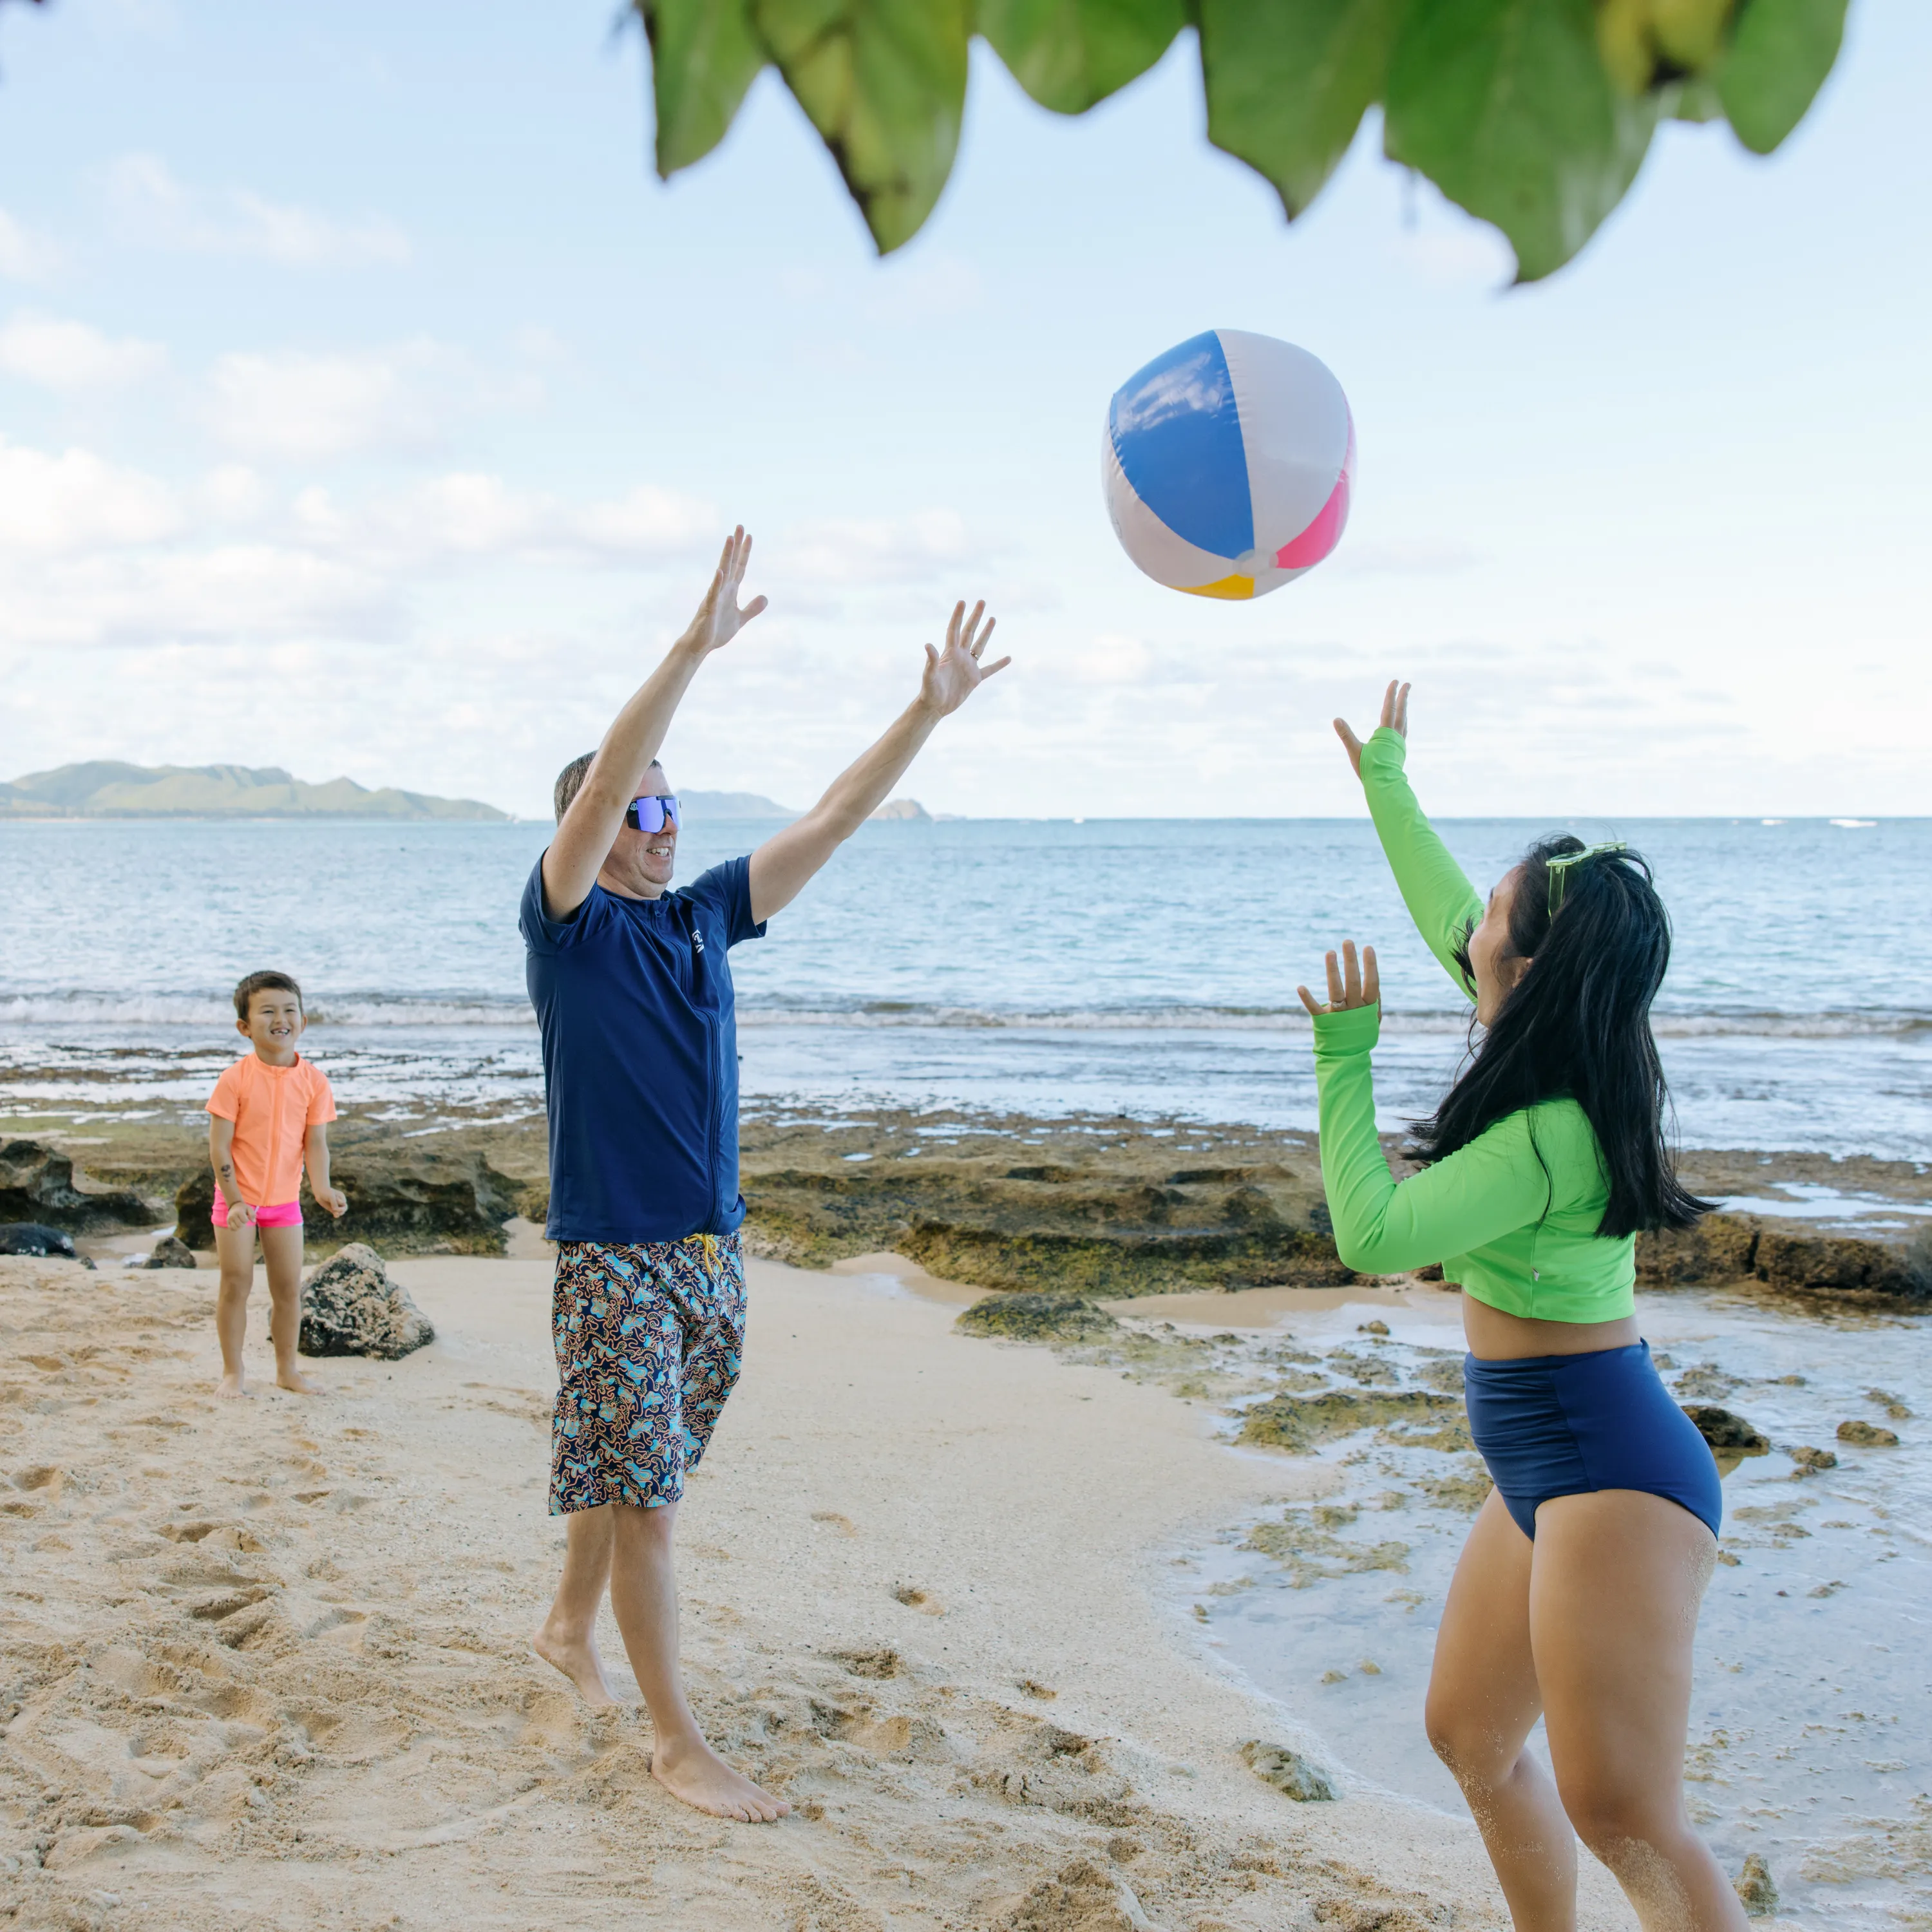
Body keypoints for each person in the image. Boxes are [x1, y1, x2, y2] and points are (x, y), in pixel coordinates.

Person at [520, 527, 1008, 1824]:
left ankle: (567, 1631)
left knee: (634, 1469)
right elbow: (599, 787)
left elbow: (834, 818)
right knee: (649, 1502)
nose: (663, 824)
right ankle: (678, 1743)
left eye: (675, 806)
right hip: (616, 1256)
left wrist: (924, 712)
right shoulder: (570, 926)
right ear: (599, 822)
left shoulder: (701, 915)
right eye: (642, 806)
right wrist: (692, 646)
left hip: (709, 1256)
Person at [1298, 681, 1745, 1932]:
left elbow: (1371, 1234)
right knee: (1472, 1736)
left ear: (1530, 966)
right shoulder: (1545, 1045)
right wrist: (1385, 780)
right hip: (1544, 1452)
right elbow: (1449, 905)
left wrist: (1343, 1055)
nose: (1468, 928)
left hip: (1610, 1462)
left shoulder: (1552, 1128)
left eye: (1492, 917)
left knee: (1628, 1817)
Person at [206, 970, 348, 1399]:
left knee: (287, 1289)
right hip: (236, 1202)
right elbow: (219, 1148)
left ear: (303, 1022)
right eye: (267, 1011)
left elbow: (316, 1143)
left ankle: (288, 1370)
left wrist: (322, 1189)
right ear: (245, 1027)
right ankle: (233, 1373)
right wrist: (233, 1202)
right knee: (236, 1282)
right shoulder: (234, 1079)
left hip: (285, 1204)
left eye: (290, 1010)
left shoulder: (314, 1082)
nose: (280, 1019)